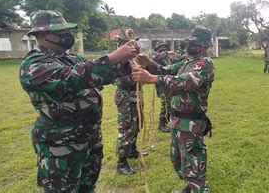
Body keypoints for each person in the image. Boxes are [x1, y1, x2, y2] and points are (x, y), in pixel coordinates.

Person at [19, 10, 137, 192]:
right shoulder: (34, 64)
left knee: (87, 186)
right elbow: (73, 78)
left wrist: (126, 61)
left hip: (88, 136)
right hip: (60, 143)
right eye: (60, 32)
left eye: (67, 31)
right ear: (42, 34)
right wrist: (114, 56)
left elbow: (100, 73)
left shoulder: (70, 58)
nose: (67, 35)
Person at [132, 26, 215, 193]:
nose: (189, 46)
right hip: (176, 120)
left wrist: (153, 79)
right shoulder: (186, 63)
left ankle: (199, 188)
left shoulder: (205, 64)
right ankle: (190, 187)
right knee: (178, 159)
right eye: (189, 43)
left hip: (191, 122)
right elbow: (166, 71)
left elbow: (186, 81)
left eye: (194, 43)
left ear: (204, 46)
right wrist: (150, 63)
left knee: (193, 159)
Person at [114, 27, 149, 175]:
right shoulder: (118, 58)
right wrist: (133, 78)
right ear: (122, 43)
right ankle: (121, 163)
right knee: (127, 128)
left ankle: (132, 151)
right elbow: (116, 79)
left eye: (134, 43)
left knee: (137, 125)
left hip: (136, 94)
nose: (133, 45)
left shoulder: (132, 57)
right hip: (126, 97)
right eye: (130, 43)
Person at [152, 41, 173, 133]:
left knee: (169, 104)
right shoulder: (157, 57)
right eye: (162, 48)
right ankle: (162, 124)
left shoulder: (167, 58)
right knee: (165, 105)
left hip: (169, 82)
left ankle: (167, 121)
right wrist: (166, 53)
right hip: (162, 84)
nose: (164, 50)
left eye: (165, 48)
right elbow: (155, 58)